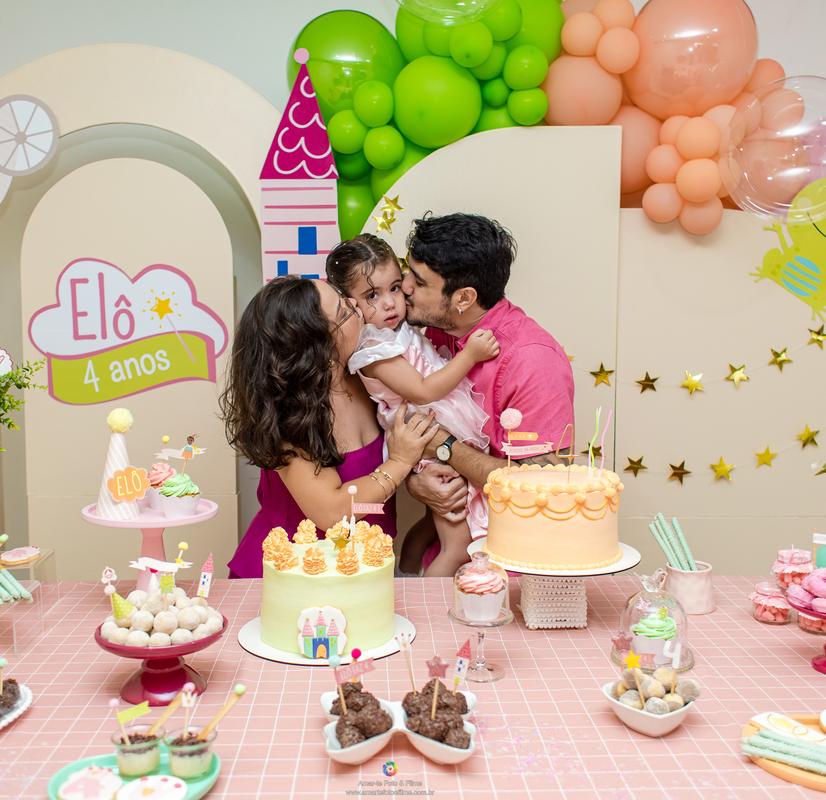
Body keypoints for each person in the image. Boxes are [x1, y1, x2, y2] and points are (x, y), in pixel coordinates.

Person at [221, 276, 438, 579]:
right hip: (296, 575)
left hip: (364, 568)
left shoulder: (366, 377)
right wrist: (400, 462)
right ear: (319, 344)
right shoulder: (289, 415)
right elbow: (334, 513)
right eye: (344, 311)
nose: (356, 306)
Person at [398, 213, 576, 574]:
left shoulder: (532, 361)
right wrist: (415, 482)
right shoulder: (434, 328)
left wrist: (444, 446)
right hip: (439, 559)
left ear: (464, 298)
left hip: (506, 575)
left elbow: (539, 485)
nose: (404, 286)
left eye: (419, 281)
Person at [326, 234, 499, 577]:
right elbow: (422, 391)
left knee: (432, 526)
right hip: (425, 433)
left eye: (395, 288)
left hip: (437, 425)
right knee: (458, 547)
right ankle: (423, 603)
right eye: (372, 295)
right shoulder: (372, 350)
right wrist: (470, 355)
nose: (390, 303)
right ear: (348, 303)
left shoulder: (393, 330)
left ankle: (406, 574)